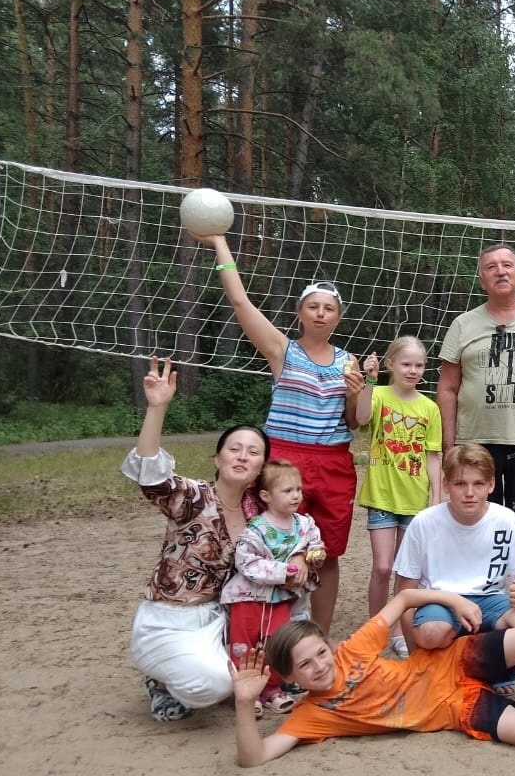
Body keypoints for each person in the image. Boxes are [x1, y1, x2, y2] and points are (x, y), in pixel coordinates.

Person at [228, 588, 515, 767]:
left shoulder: (352, 649)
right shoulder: (311, 715)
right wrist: (245, 703)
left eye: (320, 653)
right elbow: (254, 757)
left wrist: (453, 601)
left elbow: (404, 598)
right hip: (454, 709)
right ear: (290, 676)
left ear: (328, 645)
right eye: (306, 665)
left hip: (452, 662)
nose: (320, 666)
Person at [200, 234, 363, 636]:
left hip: (334, 461)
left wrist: (357, 393)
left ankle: (318, 636)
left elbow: (354, 422)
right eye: (313, 306)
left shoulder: (349, 361)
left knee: (326, 554)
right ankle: (270, 631)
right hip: (287, 461)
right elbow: (241, 302)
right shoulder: (282, 350)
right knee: (272, 544)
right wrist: (219, 243)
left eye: (329, 308)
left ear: (338, 317)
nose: (320, 313)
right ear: (300, 312)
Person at [124, 356, 270, 722]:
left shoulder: (258, 516)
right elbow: (152, 477)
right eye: (234, 448)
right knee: (215, 685)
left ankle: (203, 666)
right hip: (169, 619)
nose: (243, 456)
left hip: (219, 620)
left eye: (253, 452)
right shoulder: (193, 496)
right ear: (218, 459)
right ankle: (160, 680)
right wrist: (157, 408)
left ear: (258, 471)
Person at [437, 243, 515, 568]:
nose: (500, 271)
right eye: (491, 267)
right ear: (481, 279)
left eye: (507, 265)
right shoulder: (463, 325)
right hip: (475, 442)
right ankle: (479, 590)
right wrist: (449, 445)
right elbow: (447, 387)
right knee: (476, 522)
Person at [393, 444, 515, 692]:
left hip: (490, 600)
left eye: (478, 484)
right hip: (439, 601)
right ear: (446, 484)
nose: (469, 493)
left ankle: (495, 671)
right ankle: (439, 669)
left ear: (491, 485)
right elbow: (404, 595)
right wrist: (414, 659)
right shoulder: (424, 523)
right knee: (432, 631)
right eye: (460, 484)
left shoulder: (506, 520)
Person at [355, 335, 443, 657]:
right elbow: (362, 419)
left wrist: (436, 500)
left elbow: (433, 456)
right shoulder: (378, 395)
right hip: (381, 496)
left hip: (415, 500)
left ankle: (398, 631)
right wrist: (369, 381)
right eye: (406, 364)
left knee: (406, 572)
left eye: (419, 365)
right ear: (391, 364)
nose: (413, 370)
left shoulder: (430, 408)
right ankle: (375, 628)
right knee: (382, 567)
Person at [221, 459, 325, 715]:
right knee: (243, 645)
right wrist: (284, 571)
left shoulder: (305, 525)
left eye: (298, 489)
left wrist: (310, 558)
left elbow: (317, 547)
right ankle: (246, 692)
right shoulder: (256, 529)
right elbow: (245, 562)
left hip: (281, 598)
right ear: (266, 496)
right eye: (287, 491)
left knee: (277, 642)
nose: (296, 496)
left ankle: (272, 689)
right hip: (248, 598)